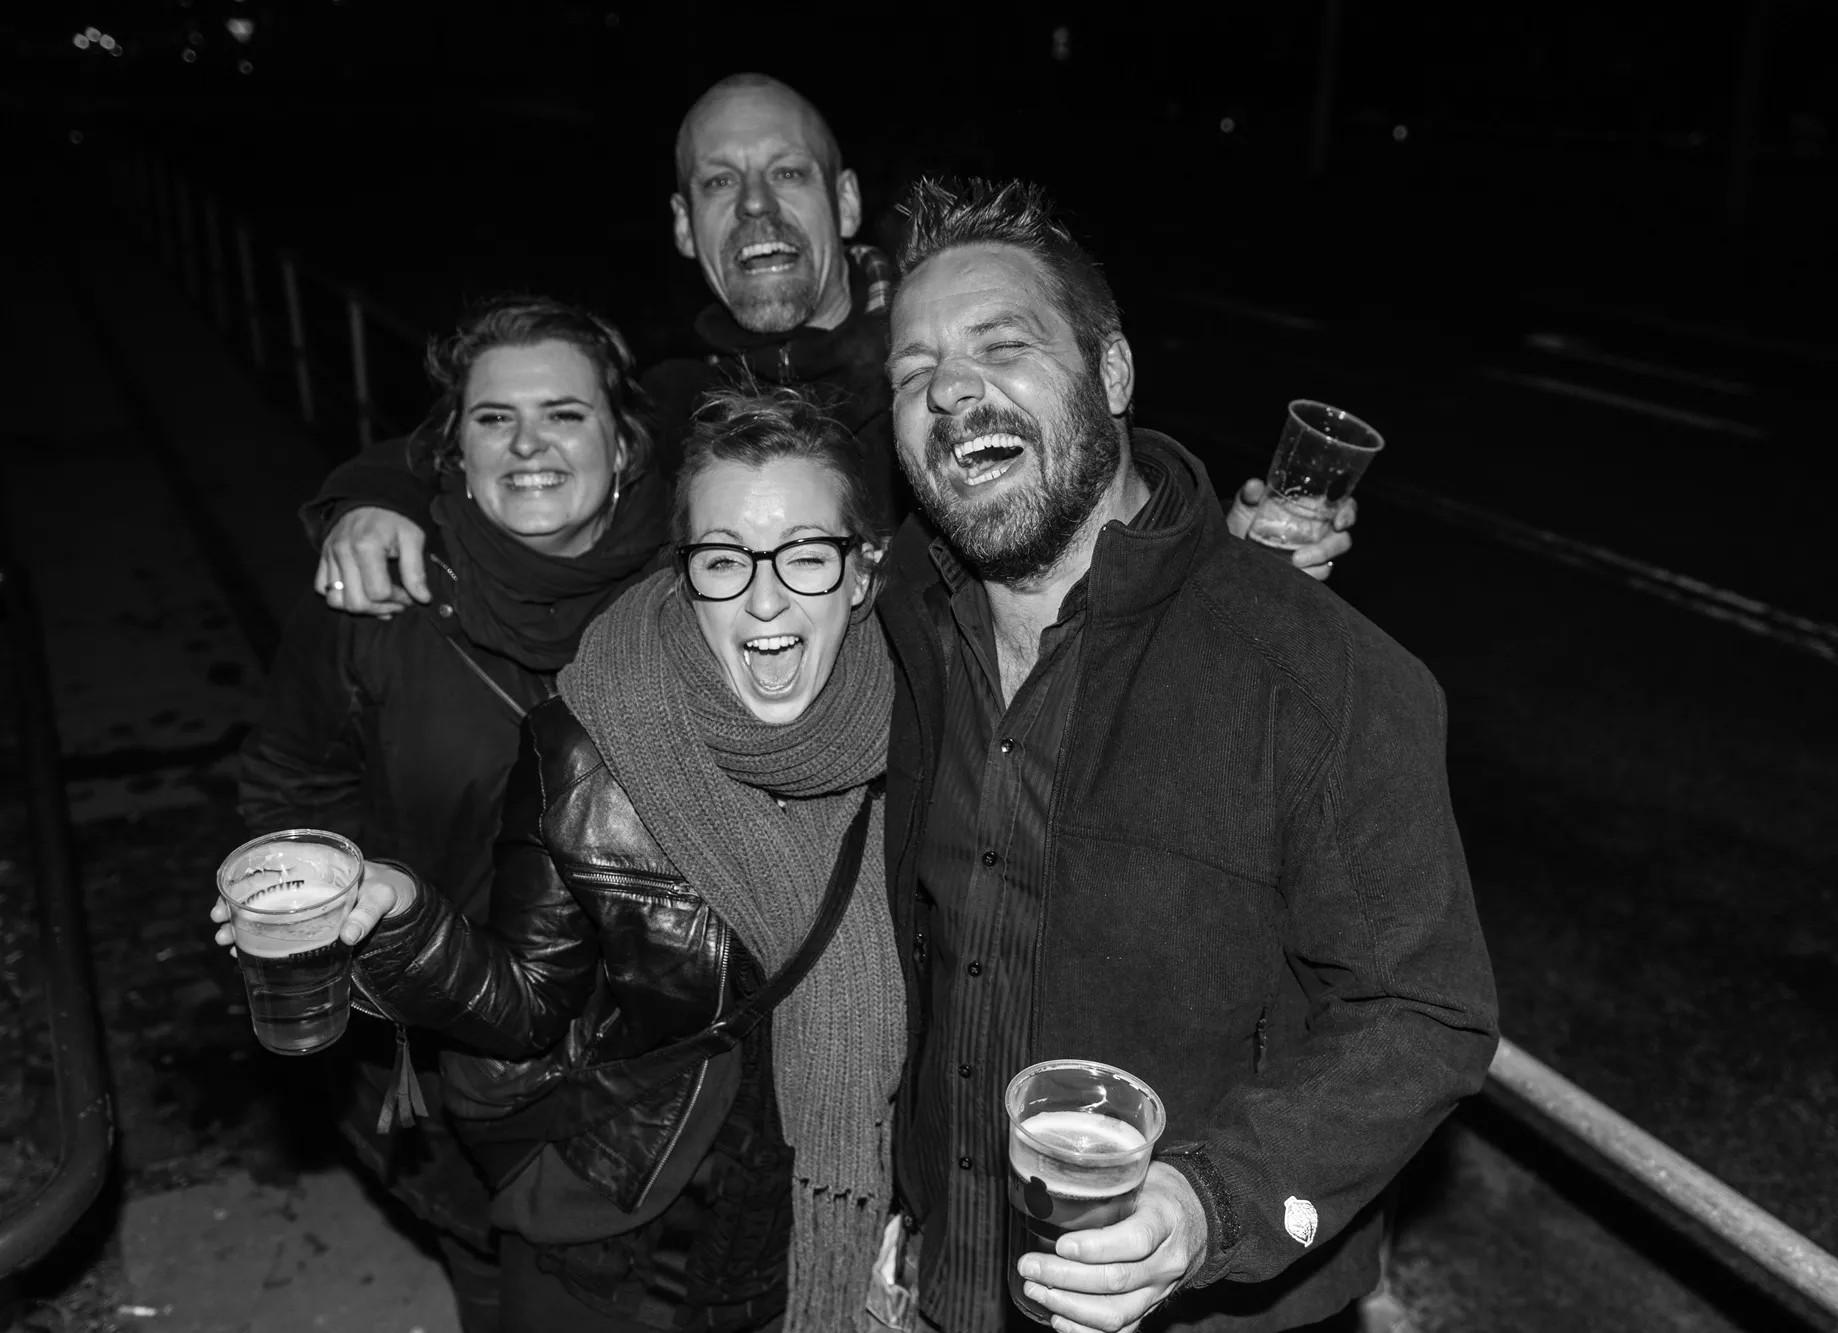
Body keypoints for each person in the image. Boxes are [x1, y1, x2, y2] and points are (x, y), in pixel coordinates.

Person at [871, 178, 1499, 1333]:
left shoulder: (1314, 673)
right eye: (914, 373)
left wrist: (1210, 1202)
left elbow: (1422, 1010)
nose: (950, 390)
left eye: (1000, 347)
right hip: (934, 1289)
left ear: (1110, 373)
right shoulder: (894, 619)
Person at [222, 387, 906, 1332]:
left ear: (863, 572)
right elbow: (527, 1002)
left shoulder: (928, 727)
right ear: (684, 573)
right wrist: (404, 916)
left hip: (831, 1233)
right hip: (630, 1231)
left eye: (807, 553)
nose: (763, 596)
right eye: (722, 558)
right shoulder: (588, 744)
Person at [305, 74, 1351, 624]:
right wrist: (374, 500)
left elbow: (1082, 471)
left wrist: (1213, 548)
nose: (756, 206)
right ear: (685, 227)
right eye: (720, 182)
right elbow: (507, 437)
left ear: (844, 202)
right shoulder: (672, 399)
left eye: (788, 173)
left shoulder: (945, 367)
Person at [234, 294, 667, 1333]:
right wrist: (315, 908)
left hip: (655, 1073)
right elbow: (288, 785)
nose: (527, 444)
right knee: (491, 1279)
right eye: (493, 418)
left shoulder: (698, 591)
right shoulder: (377, 601)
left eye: (564, 414)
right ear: (453, 451)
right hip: (449, 1051)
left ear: (622, 443)